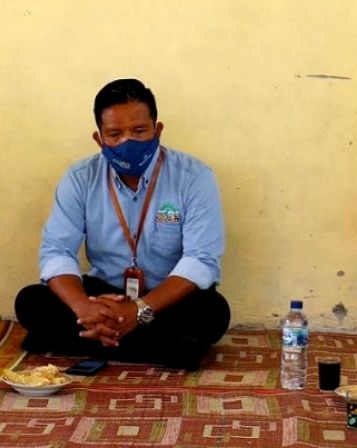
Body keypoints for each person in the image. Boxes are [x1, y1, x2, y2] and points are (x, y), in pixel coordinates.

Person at [15, 79, 229, 370]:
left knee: (212, 312)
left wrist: (139, 310)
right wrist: (84, 307)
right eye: (115, 134)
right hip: (103, 294)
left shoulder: (194, 177)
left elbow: (200, 260)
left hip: (164, 302)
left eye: (139, 131)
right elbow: (57, 252)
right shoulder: (81, 177)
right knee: (31, 302)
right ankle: (158, 348)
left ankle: (88, 341)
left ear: (158, 130)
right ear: (99, 138)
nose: (127, 142)